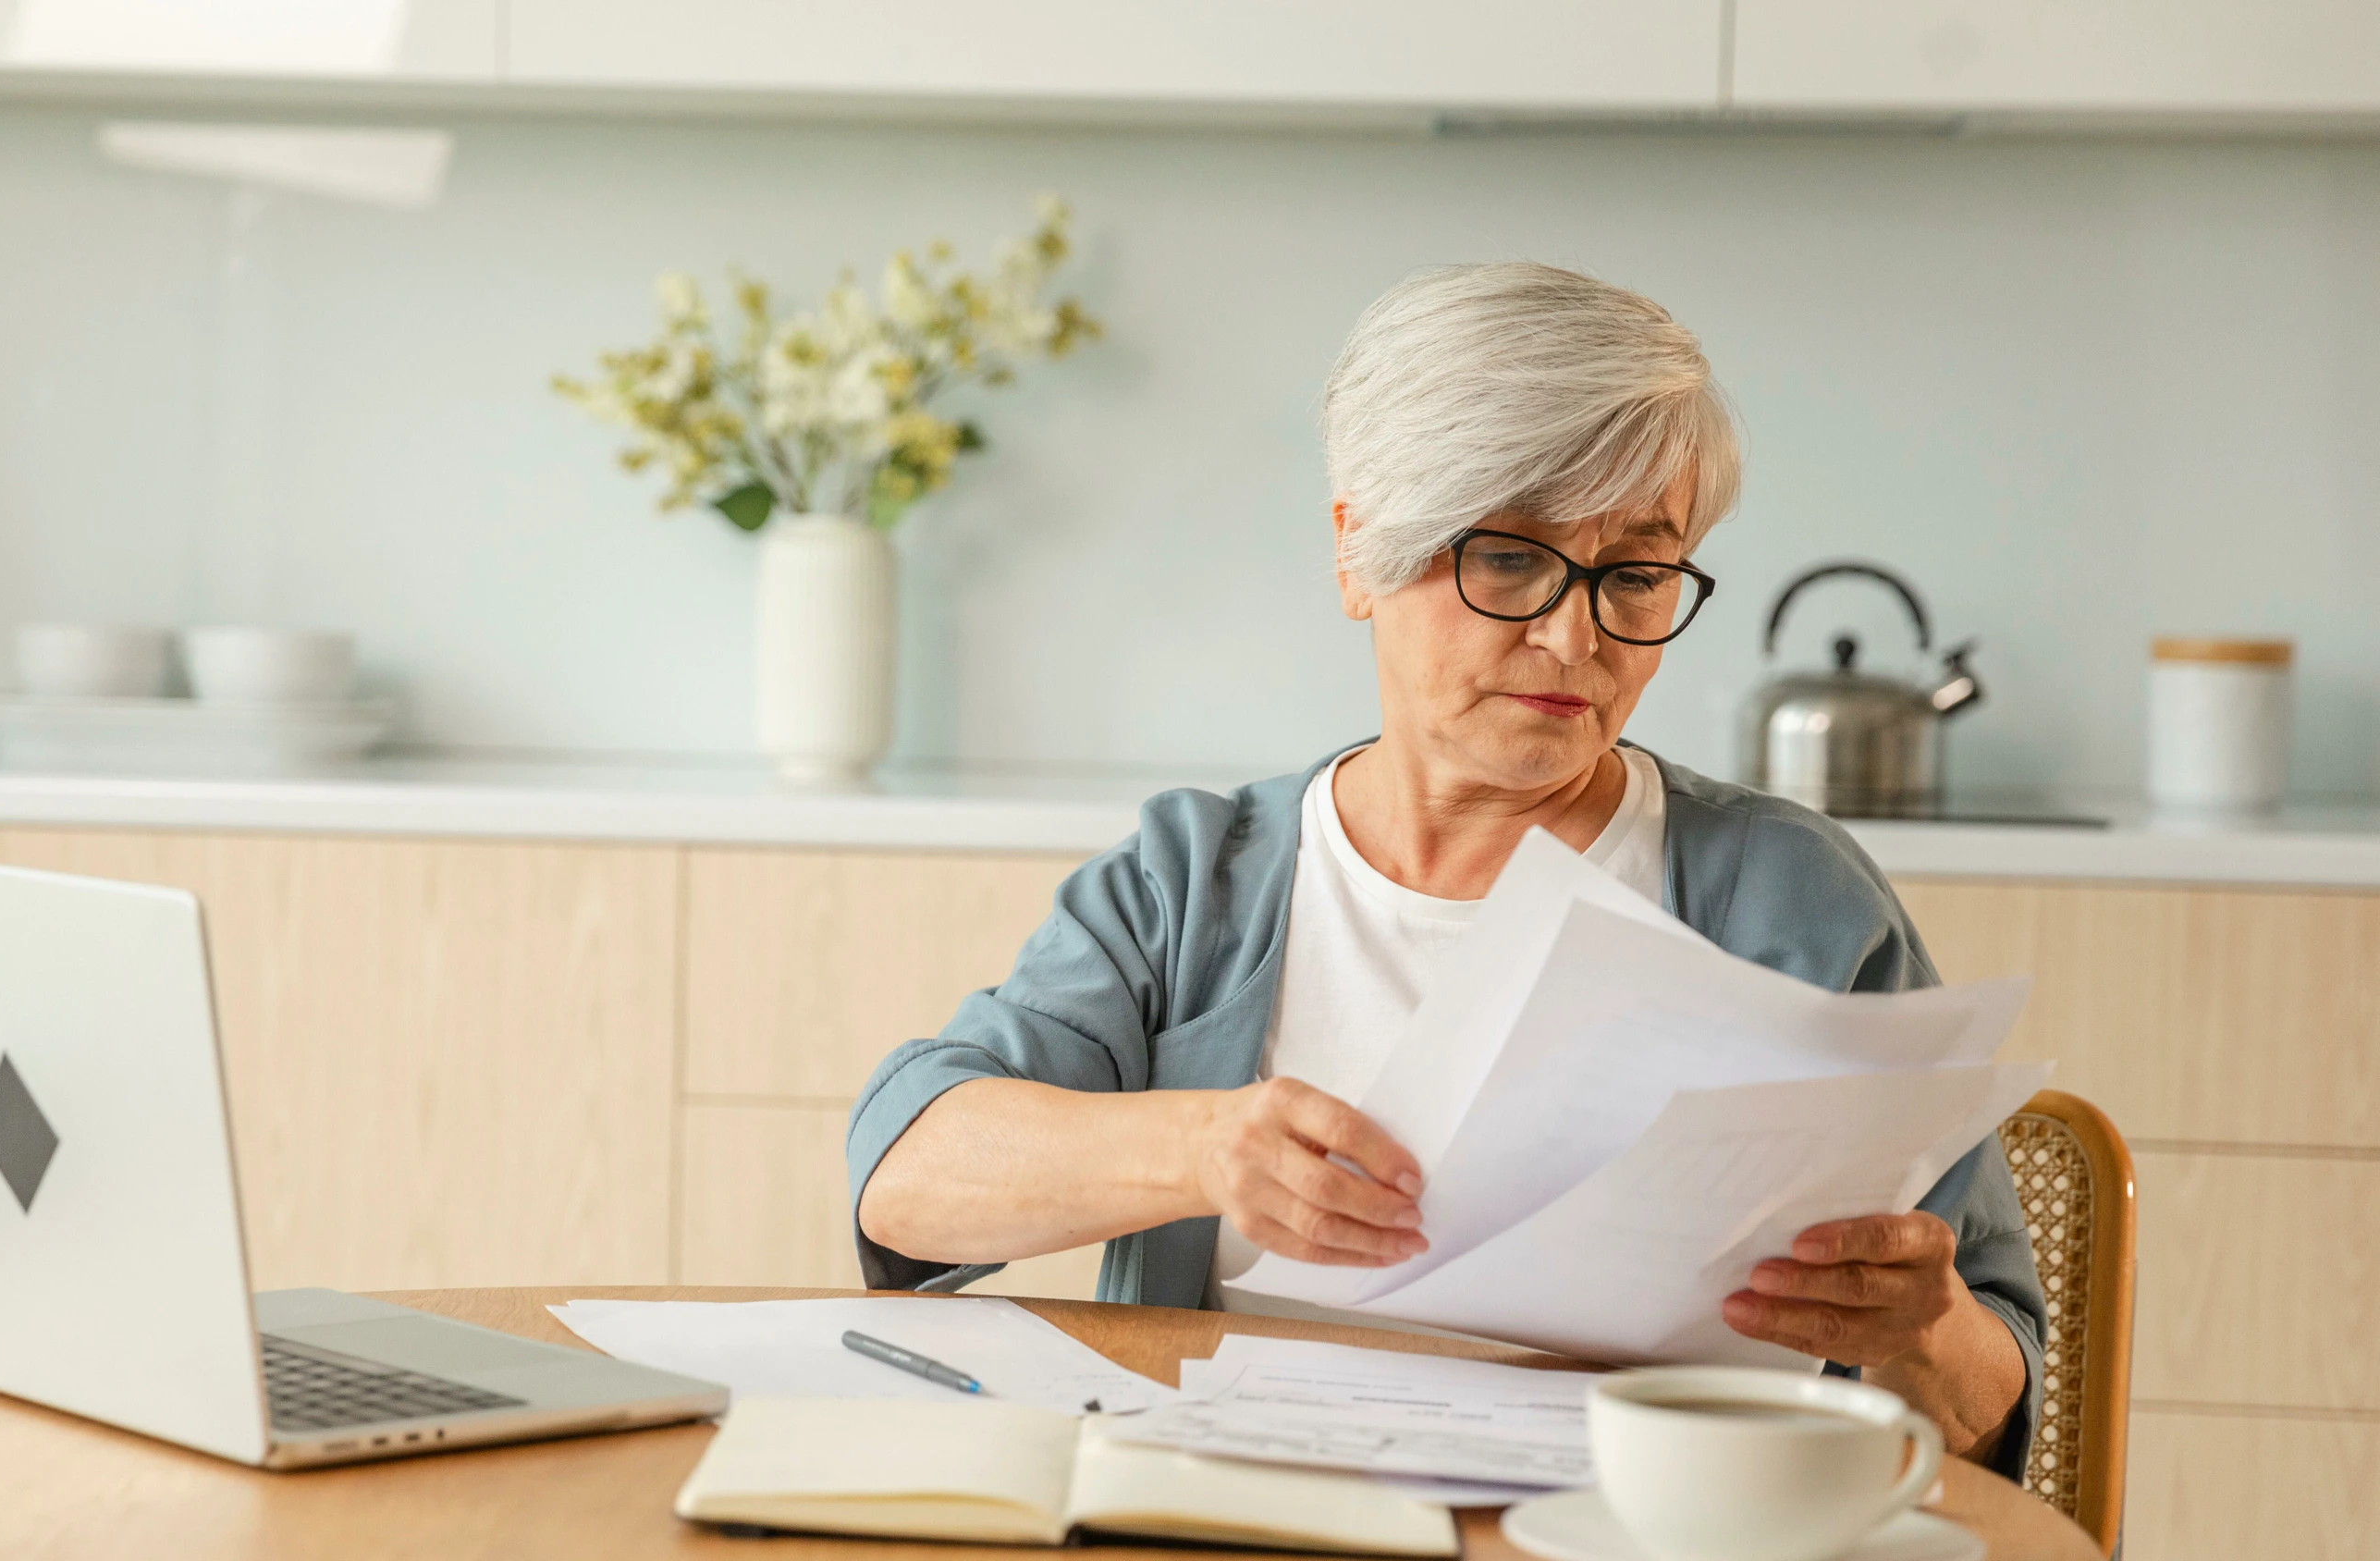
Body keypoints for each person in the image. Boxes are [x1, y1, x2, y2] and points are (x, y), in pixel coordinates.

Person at [845, 262, 2043, 1473]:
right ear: (1360, 553)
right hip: (1239, 1519)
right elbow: (906, 1178)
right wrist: (1201, 1150)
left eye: (1634, 574)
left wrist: (1920, 1329)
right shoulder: (1197, 882)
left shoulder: (1791, 898)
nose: (1576, 639)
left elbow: (1991, 1401)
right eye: (1512, 559)